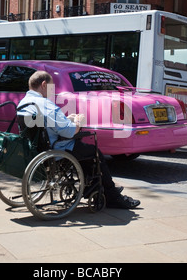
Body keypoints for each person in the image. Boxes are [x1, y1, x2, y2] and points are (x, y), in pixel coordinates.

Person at [17, 71, 140, 209]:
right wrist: (78, 122)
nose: (53, 91)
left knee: (84, 152)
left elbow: (49, 125)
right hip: (57, 149)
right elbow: (69, 132)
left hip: (36, 150)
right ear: (44, 85)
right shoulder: (46, 105)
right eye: (52, 87)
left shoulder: (23, 103)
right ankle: (111, 195)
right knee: (95, 153)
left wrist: (67, 120)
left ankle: (95, 188)